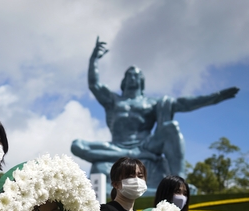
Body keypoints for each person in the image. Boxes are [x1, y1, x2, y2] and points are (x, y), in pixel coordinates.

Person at [71, 37, 239, 194]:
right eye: (129, 75)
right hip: (117, 147)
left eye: (137, 75)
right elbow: (94, 84)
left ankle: (179, 183)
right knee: (77, 145)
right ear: (124, 80)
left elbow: (185, 103)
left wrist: (215, 96)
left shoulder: (152, 103)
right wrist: (94, 59)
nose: (132, 77)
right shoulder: (113, 101)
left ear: (142, 82)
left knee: (171, 128)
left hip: (145, 146)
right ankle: (132, 158)